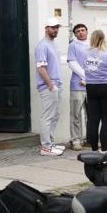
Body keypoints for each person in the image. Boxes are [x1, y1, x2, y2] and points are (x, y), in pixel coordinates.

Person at [84, 30, 107, 154]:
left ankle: (94, 149)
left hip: (91, 87)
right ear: (103, 39)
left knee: (93, 119)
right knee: (106, 120)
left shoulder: (86, 54)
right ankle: (104, 149)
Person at [35, 18, 65, 156]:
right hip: (48, 86)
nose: (56, 30)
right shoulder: (42, 45)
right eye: (53, 27)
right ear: (46, 28)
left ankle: (50, 143)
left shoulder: (53, 44)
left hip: (56, 84)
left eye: (57, 27)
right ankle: (46, 147)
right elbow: (41, 68)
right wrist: (50, 85)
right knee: (48, 116)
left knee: (55, 115)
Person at [66, 23, 89, 151]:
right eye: (78, 31)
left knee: (91, 114)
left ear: (86, 32)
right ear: (75, 34)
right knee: (76, 114)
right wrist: (85, 76)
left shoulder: (92, 45)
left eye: (83, 30)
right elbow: (72, 62)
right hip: (77, 84)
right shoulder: (73, 45)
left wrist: (90, 78)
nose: (81, 32)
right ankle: (76, 140)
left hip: (91, 85)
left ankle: (90, 139)